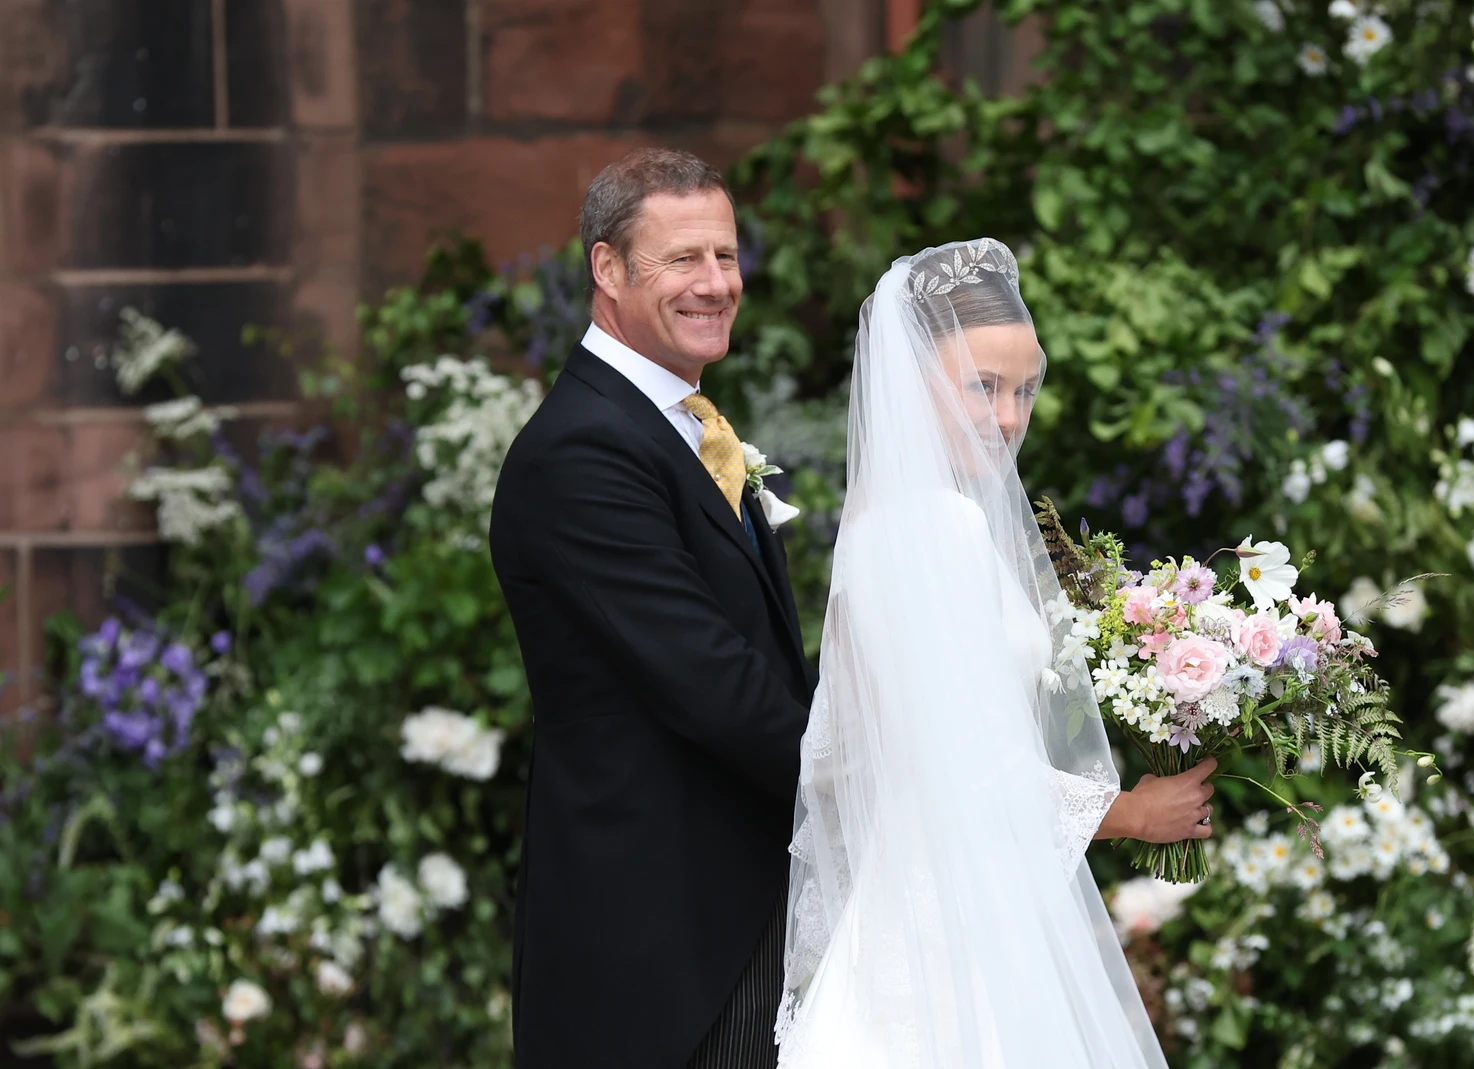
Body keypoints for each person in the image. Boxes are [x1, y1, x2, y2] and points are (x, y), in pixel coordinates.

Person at [775, 239, 1217, 1069]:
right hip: (950, 924)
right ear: (912, 383)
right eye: (982, 386)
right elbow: (968, 766)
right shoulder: (937, 527)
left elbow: (854, 757)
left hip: (924, 899)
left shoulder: (885, 526)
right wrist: (1131, 812)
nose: (1010, 416)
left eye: (1024, 388)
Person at [489, 149, 814, 1069]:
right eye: (683, 259)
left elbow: (760, 661)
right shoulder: (582, 454)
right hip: (664, 949)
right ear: (608, 268)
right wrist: (892, 785)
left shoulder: (682, 426)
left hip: (739, 915)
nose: (716, 283)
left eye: (726, 255)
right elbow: (717, 686)